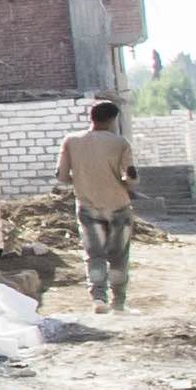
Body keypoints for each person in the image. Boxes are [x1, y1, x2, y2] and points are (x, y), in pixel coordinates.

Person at [57, 99, 143, 311]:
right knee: (119, 256)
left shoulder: (71, 141)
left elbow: (61, 175)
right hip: (118, 206)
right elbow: (131, 177)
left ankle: (98, 298)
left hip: (88, 206)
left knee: (94, 254)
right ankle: (119, 301)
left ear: (92, 117)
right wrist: (126, 184)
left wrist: (80, 180)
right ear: (113, 120)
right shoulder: (120, 143)